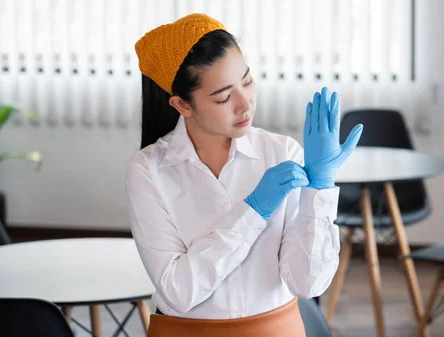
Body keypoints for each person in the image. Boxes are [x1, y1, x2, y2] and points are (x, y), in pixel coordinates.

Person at [125, 13, 363, 337]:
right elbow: (179, 292)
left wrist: (319, 190)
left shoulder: (281, 154)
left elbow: (308, 283)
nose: (244, 104)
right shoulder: (148, 172)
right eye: (223, 97)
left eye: (248, 81)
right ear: (182, 104)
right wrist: (252, 210)